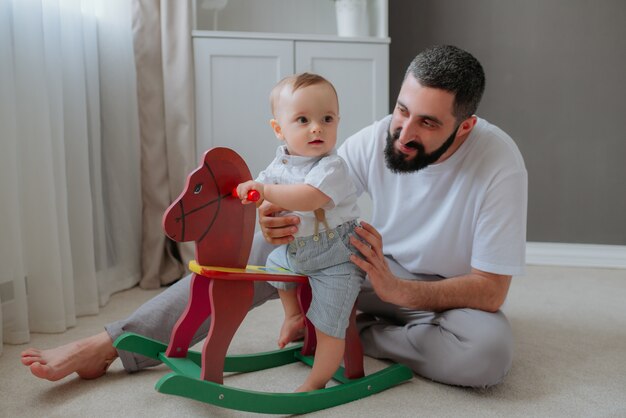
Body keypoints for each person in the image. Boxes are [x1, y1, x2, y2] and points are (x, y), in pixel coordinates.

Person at [21, 45, 527, 388]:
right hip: (365, 265)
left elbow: (490, 289)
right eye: (402, 109)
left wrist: (402, 292)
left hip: (432, 295)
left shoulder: (498, 162)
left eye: (428, 122)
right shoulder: (377, 137)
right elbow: (304, 192)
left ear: (464, 129)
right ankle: (113, 343)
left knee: (488, 354)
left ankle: (360, 331)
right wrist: (271, 216)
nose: (403, 130)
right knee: (260, 251)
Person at [234, 72, 363, 392]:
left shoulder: (332, 167)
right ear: (279, 129)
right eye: (303, 120)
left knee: (329, 323)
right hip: (299, 252)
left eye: (327, 118)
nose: (316, 127)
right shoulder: (278, 165)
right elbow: (260, 198)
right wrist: (247, 193)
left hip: (338, 257)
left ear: (337, 122)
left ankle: (317, 380)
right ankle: (293, 315)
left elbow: (309, 197)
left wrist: (265, 191)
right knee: (274, 263)